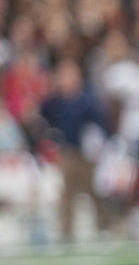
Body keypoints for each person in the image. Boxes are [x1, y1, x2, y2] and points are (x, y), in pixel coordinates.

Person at [33, 57, 114, 242]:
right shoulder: (57, 102)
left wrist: (100, 145)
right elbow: (42, 115)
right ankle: (67, 231)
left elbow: (101, 124)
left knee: (94, 191)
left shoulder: (87, 101)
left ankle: (104, 226)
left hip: (87, 154)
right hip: (67, 152)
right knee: (67, 193)